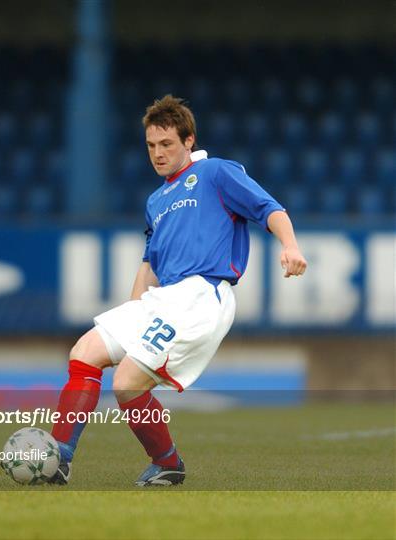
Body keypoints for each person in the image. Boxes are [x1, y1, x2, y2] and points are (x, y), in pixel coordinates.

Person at [48, 95, 307, 486]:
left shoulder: (217, 173)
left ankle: (167, 461)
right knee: (84, 352)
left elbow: (270, 208)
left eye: (167, 144)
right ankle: (58, 458)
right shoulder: (156, 201)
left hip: (202, 296)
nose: (158, 153)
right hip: (161, 299)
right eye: (151, 145)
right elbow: (149, 263)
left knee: (126, 384)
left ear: (189, 141)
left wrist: (290, 245)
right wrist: (132, 317)